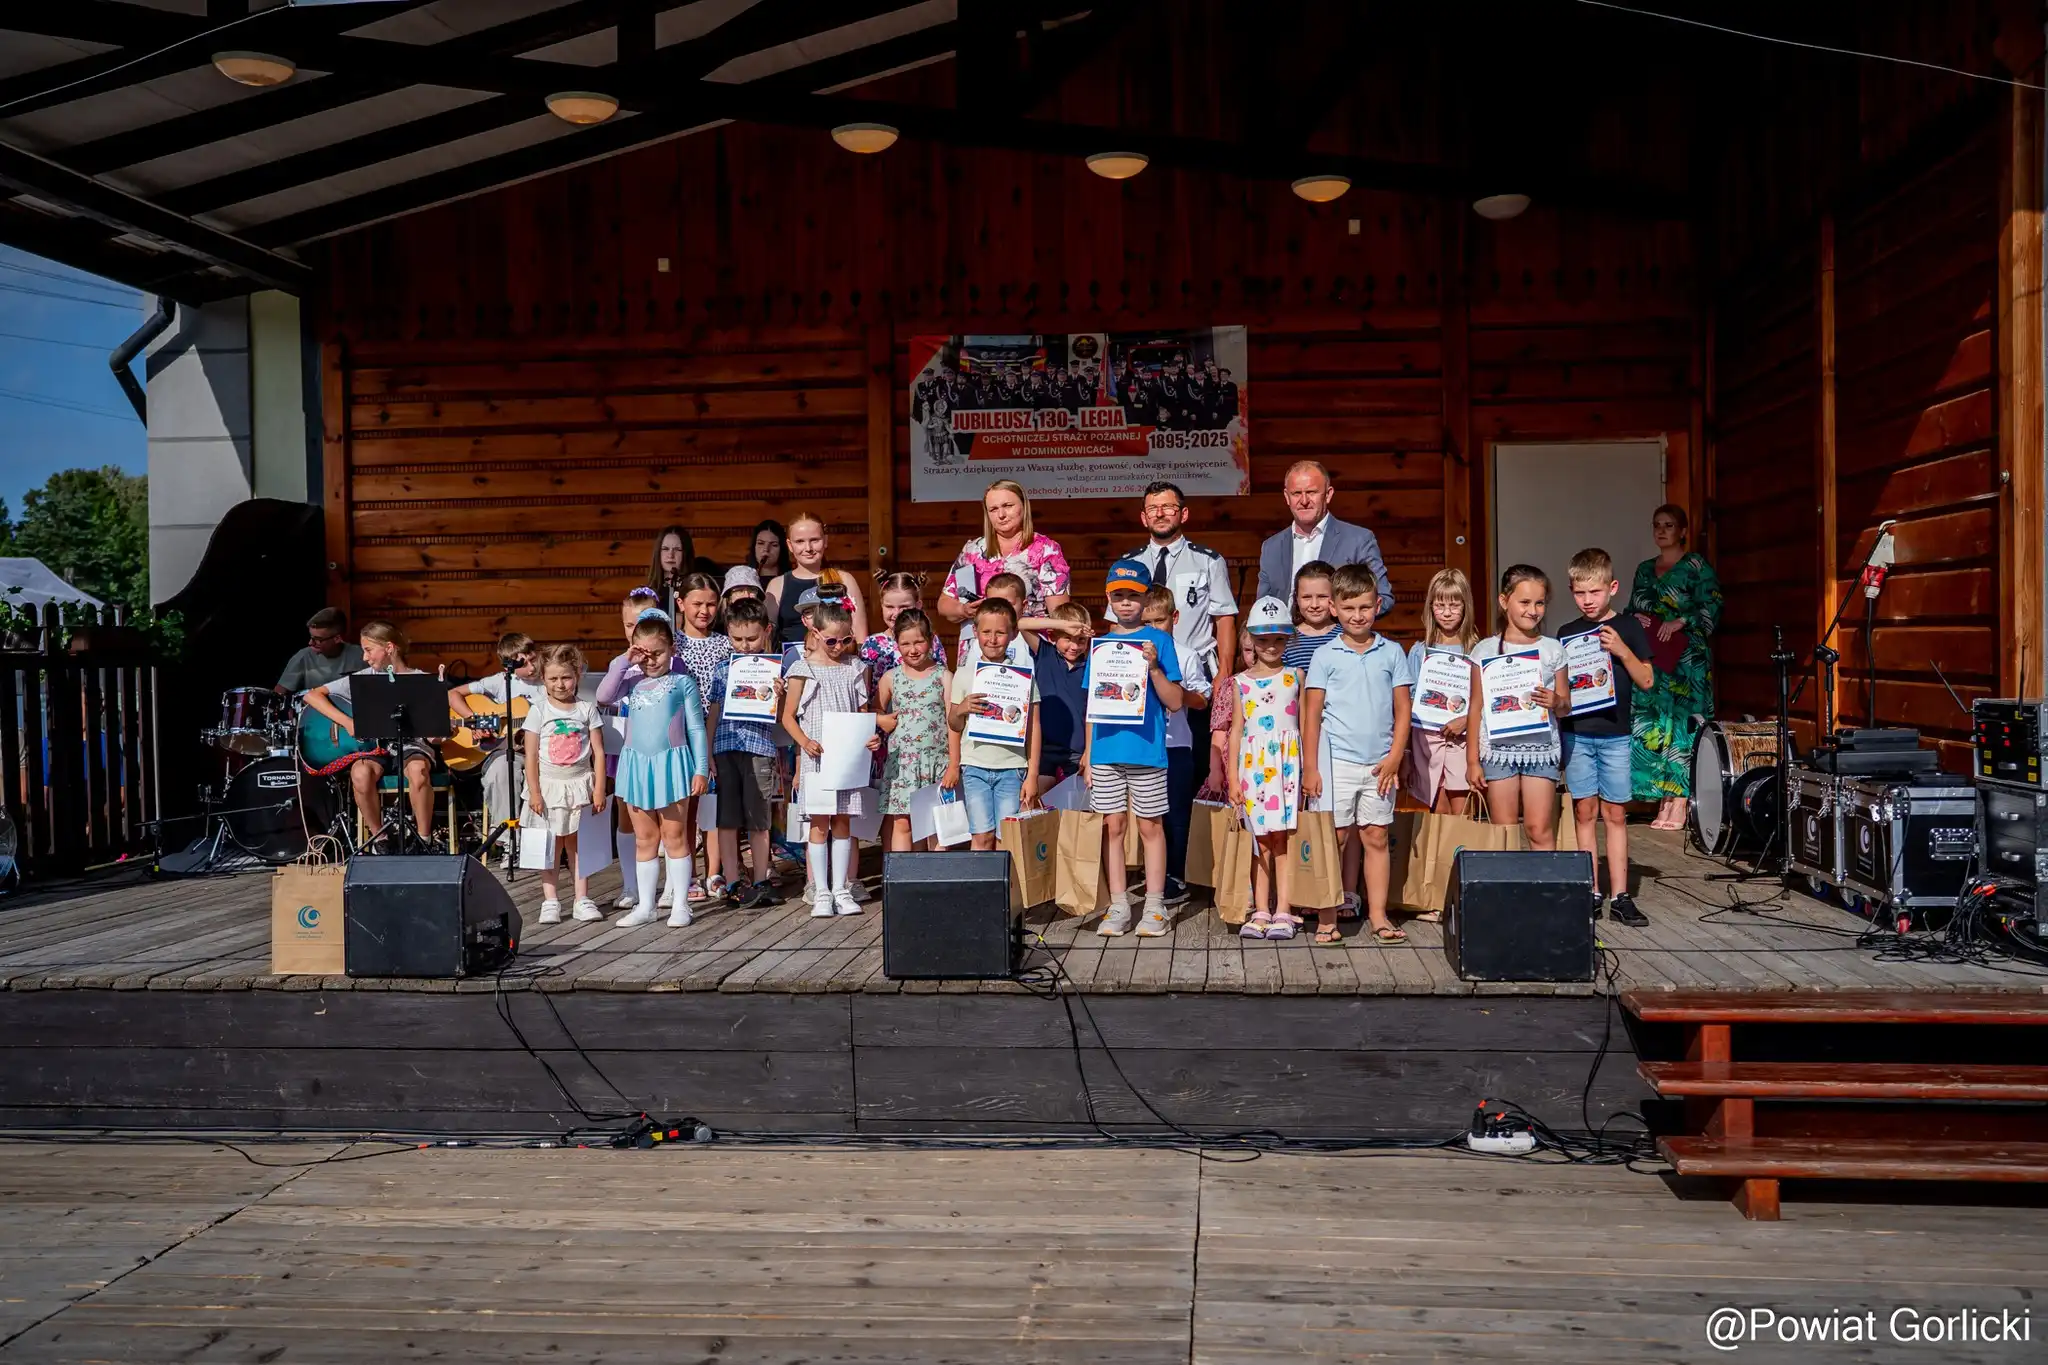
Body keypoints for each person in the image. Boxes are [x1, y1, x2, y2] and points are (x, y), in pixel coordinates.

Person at [1302, 565, 1412, 945]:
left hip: (1380, 764)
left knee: (1375, 836)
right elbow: (1311, 716)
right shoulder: (1324, 654)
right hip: (1336, 764)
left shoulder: (1393, 652)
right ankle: (1327, 916)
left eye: (1365, 607)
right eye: (1349, 608)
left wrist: (1396, 756)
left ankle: (1379, 916)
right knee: (1335, 838)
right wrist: (1311, 767)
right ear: (1334, 608)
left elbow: (1403, 710)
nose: (1357, 615)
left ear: (1377, 605)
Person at [1081, 559, 1183, 938]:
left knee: (1150, 827)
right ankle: (1119, 904)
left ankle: (1155, 905)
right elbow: (1092, 704)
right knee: (1112, 827)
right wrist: (1089, 754)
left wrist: (1154, 668)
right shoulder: (1101, 645)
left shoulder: (1159, 641)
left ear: (1145, 599)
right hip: (1106, 752)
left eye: (1133, 596)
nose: (1126, 604)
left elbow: (1174, 701)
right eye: (1118, 596)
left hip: (1146, 751)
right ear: (1109, 598)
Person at [1560, 549, 1656, 926]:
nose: (1588, 600)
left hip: (1615, 735)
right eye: (1580, 593)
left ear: (1612, 588)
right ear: (1572, 591)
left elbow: (1647, 681)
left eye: (1595, 592)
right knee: (1584, 812)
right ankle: (1590, 890)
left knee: (1614, 813)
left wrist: (1621, 649)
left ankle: (1620, 896)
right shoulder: (1566, 633)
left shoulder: (1629, 627)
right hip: (1577, 734)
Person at [599, 609, 711, 929]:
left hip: (672, 765)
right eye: (644, 654)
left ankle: (680, 904)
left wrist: (700, 769)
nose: (651, 660)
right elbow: (605, 696)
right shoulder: (631, 679)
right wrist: (625, 660)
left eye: (658, 653)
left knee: (674, 835)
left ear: (672, 649)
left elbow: (697, 729)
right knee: (644, 838)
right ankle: (646, 905)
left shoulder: (682, 682)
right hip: (636, 765)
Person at [301, 620, 436, 851]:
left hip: (411, 744)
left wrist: (440, 734)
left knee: (418, 771)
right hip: (372, 748)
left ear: (390, 648)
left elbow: (434, 732)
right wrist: (346, 721)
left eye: (369, 650)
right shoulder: (364, 678)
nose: (365, 657)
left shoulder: (421, 680)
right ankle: (380, 839)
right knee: (361, 773)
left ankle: (423, 839)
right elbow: (312, 696)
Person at [782, 599, 877, 918]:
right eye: (832, 640)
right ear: (815, 633)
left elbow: (863, 715)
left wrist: (871, 736)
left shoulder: (856, 668)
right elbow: (788, 716)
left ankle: (841, 887)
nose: (839, 646)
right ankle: (821, 890)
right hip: (817, 758)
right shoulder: (803, 669)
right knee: (819, 825)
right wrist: (804, 741)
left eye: (846, 639)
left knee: (843, 823)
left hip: (847, 758)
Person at [1631, 503, 1722, 830]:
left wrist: (1683, 620)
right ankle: (1663, 799)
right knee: (1656, 727)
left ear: (1682, 531)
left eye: (1669, 525)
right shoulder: (1643, 569)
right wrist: (1637, 618)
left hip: (1687, 660)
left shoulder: (1696, 565)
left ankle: (1682, 800)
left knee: (1683, 727)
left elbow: (1713, 604)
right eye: (1657, 524)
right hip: (1654, 657)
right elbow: (1633, 608)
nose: (1661, 530)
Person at [1468, 565, 1571, 849]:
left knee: (1539, 829)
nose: (1533, 610)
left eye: (1539, 603)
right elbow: (1476, 706)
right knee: (1504, 833)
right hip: (1498, 751)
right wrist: (1472, 761)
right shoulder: (1484, 651)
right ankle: (1507, 892)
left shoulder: (1553, 650)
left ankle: (1544, 892)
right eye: (1524, 602)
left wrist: (1556, 701)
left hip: (1541, 749)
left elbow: (1565, 705)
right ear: (1504, 601)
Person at [1228, 596, 1303, 940]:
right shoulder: (1240, 682)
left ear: (1288, 639)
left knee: (1284, 839)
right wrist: (1232, 779)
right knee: (1261, 842)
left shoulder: (1295, 676)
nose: (1271, 646)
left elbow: (1306, 725)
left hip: (1287, 767)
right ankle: (1260, 908)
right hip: (1253, 769)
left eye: (1278, 639)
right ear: (1251, 641)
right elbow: (1236, 731)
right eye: (1262, 640)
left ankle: (1284, 909)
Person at [946, 597, 1043, 851]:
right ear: (975, 632)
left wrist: (1032, 774)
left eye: (1000, 632)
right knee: (981, 837)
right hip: (975, 767)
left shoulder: (1023, 676)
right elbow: (954, 723)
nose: (992, 639)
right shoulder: (965, 673)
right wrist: (963, 708)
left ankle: (1006, 891)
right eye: (986, 632)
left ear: (1012, 634)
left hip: (1012, 768)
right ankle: (981, 891)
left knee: (1007, 839)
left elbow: (1034, 728)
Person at [521, 644, 606, 925]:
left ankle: (582, 898)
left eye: (566, 677)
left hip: (579, 784)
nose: (560, 684)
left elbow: (598, 752)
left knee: (578, 843)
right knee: (551, 844)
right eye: (553, 678)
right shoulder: (539, 711)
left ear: (577, 675)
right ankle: (551, 900)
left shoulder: (586, 710)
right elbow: (531, 754)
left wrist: (599, 789)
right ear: (543, 679)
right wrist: (534, 791)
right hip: (549, 787)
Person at [1118, 481, 1238, 678]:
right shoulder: (1128, 565)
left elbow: (1224, 619)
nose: (1159, 514)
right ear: (1143, 518)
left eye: (1168, 507)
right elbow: (1116, 622)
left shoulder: (1208, 561)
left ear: (1184, 514)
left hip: (1196, 669)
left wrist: (1223, 675)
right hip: (1139, 669)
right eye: (1152, 509)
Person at [708, 597, 782, 910]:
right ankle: (734, 881)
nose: (746, 646)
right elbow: (712, 711)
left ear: (767, 631)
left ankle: (762, 878)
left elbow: (781, 717)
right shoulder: (723, 668)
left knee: (758, 819)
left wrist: (781, 695)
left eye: (752, 638)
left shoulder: (777, 670)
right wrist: (707, 751)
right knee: (727, 819)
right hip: (725, 748)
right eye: (737, 639)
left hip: (760, 750)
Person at [1141, 583, 1206, 910]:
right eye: (1146, 622)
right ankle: (1154, 875)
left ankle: (1176, 877)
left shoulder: (1186, 654)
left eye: (1160, 621)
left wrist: (1179, 694)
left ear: (1175, 617)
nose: (1153, 628)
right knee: (1148, 816)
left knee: (1176, 815)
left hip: (1176, 746)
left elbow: (1201, 699)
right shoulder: (1129, 652)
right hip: (1142, 746)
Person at [447, 632, 544, 854]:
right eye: (523, 663)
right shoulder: (500, 682)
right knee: (502, 769)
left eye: (532, 658)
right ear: (508, 667)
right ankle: (510, 840)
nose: (530, 667)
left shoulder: (550, 679)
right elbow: (453, 694)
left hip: (543, 750)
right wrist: (474, 721)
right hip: (510, 750)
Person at [1254, 460, 1395, 610]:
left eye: (1311, 492)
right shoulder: (1272, 547)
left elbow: (1383, 598)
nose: (1304, 501)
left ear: (1328, 495)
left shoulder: (1358, 541)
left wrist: (1347, 618)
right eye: (1296, 493)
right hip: (1287, 633)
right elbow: (1263, 606)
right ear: (1287, 497)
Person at [937, 479, 1072, 624]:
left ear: (1024, 506)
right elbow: (944, 604)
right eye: (993, 509)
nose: (1001, 514)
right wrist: (962, 609)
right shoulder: (972, 551)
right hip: (979, 642)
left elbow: (1059, 615)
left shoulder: (1046, 550)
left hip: (1029, 641)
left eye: (1008, 506)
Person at [674, 572, 733, 903]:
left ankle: (714, 871)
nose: (705, 611)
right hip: (683, 737)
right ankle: (689, 872)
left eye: (711, 604)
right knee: (686, 809)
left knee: (712, 807)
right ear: (681, 603)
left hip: (721, 732)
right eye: (697, 604)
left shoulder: (725, 642)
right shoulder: (674, 644)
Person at [1405, 568, 1482, 816]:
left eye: (1454, 605)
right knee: (1438, 813)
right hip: (1427, 741)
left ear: (1466, 606)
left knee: (1463, 813)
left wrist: (1466, 720)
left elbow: (1485, 699)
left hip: (1463, 740)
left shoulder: (1479, 650)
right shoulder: (1419, 652)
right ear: (1430, 608)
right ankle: (1440, 858)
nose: (1447, 613)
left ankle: (1462, 856)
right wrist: (1406, 751)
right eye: (1440, 605)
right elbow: (1409, 700)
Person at [877, 608, 951, 853]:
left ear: (931, 639)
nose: (913, 649)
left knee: (936, 825)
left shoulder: (944, 676)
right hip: (903, 765)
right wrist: (880, 720)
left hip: (937, 762)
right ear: (896, 643)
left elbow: (954, 722)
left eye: (919, 641)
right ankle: (901, 882)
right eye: (905, 643)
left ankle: (938, 882)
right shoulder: (890, 678)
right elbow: (871, 714)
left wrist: (954, 764)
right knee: (903, 823)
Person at [767, 512, 867, 648]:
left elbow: (860, 638)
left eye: (814, 540)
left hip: (837, 662)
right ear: (790, 545)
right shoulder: (777, 585)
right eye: (800, 542)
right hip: (791, 665)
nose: (808, 548)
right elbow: (767, 637)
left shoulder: (844, 580)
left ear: (825, 540)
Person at [1033, 600, 1094, 787]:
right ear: (1052, 636)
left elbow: (1094, 711)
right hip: (1044, 749)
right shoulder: (1045, 654)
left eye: (1081, 640)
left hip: (1078, 752)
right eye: (1068, 638)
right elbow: (1018, 623)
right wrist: (1061, 624)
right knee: (1036, 806)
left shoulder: (1092, 664)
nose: (1074, 647)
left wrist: (1089, 755)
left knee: (1075, 811)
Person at [863, 571, 947, 673]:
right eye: (889, 607)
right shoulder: (873, 644)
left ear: (918, 606)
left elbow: (942, 676)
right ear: (882, 606)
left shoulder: (931, 641)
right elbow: (865, 685)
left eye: (903, 607)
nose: (897, 613)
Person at [275, 607, 363, 694]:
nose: (310, 643)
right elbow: (280, 692)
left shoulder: (361, 656)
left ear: (337, 638)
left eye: (317, 639)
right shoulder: (303, 656)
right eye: (311, 637)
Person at [1282, 561, 1340, 671]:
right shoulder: (1287, 639)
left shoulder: (1346, 636)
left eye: (1322, 596)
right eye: (1306, 597)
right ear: (1296, 598)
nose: (1314, 605)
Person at [647, 525, 709, 618]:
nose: (670, 555)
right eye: (665, 549)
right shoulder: (649, 593)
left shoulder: (696, 591)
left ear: (686, 554)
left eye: (677, 550)